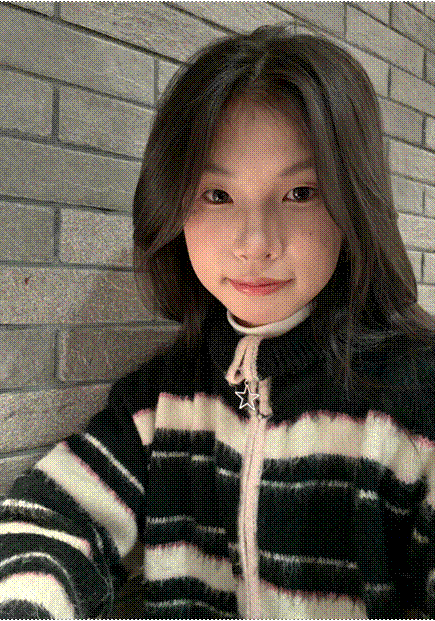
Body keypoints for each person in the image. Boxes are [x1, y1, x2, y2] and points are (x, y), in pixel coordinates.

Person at [1, 23, 435, 620]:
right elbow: (51, 519)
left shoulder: (417, 397)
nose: (255, 245)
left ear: (355, 202)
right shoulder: (163, 398)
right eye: (217, 196)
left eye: (301, 192)